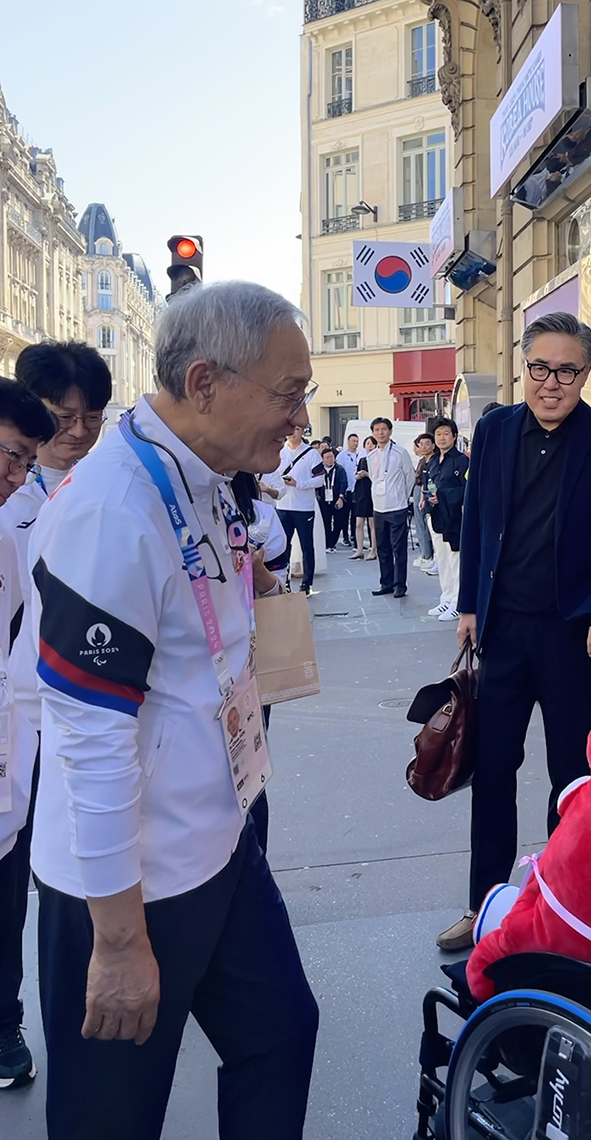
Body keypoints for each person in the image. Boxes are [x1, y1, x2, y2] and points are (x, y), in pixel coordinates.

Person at [28, 282, 319, 1140]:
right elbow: (87, 739)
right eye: (287, 393)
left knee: (280, 1037)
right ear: (204, 382)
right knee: (108, 1120)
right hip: (129, 889)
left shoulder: (208, 476)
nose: (297, 417)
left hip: (222, 844)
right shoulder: (113, 508)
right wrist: (117, 943)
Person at [437, 311, 591, 951]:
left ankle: (560, 912)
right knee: (492, 772)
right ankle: (484, 907)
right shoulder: (495, 429)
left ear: (586, 373)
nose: (551, 383)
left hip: (572, 634)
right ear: (524, 367)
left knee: (571, 780)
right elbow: (475, 518)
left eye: (567, 371)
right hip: (500, 629)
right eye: (539, 368)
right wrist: (470, 602)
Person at [0, 342, 112, 1088]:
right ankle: (6, 1022)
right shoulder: (16, 503)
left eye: (89, 418)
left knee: (61, 880)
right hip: (19, 719)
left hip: (68, 722)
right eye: (61, 419)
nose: (76, 431)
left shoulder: (111, 488)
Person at [0, 379, 58, 1090]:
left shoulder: (24, 514)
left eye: (24, 463)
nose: (16, 477)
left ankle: (3, 1020)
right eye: (11, 458)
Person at [230, 469, 290, 857]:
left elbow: (280, 591)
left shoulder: (260, 517)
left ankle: (255, 864)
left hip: (249, 662)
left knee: (249, 773)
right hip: (192, 673)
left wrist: (261, 574)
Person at [264, 425, 324, 596]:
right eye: (289, 430)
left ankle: (307, 584)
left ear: (302, 431)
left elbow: (319, 480)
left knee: (307, 546)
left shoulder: (311, 454)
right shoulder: (280, 452)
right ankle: (285, 581)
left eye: (296, 429)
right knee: (282, 546)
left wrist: (299, 483)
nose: (292, 433)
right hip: (282, 506)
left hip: (304, 507)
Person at [423, 417, 468, 622]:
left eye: (446, 434)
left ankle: (459, 601)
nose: (441, 438)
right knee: (441, 559)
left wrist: (443, 495)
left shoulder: (461, 460)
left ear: (454, 436)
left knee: (455, 559)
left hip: (455, 517)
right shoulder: (432, 461)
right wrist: (428, 499)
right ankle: (447, 597)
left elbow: (467, 489)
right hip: (436, 515)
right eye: (438, 434)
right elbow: (428, 484)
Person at [368, 417, 415, 598]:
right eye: (377, 430)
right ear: (373, 433)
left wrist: (402, 496)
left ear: (390, 431)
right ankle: (386, 582)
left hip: (397, 506)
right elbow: (373, 478)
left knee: (398, 548)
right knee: (383, 548)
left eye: (384, 429)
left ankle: (400, 584)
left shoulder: (399, 452)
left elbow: (409, 476)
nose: (381, 433)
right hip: (379, 507)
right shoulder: (371, 456)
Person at [411, 433, 436, 572]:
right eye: (421, 444)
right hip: (421, 492)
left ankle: (428, 555)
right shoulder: (423, 461)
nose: (423, 447)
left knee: (428, 526)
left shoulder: (433, 460)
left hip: (428, 494)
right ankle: (425, 554)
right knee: (420, 524)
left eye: (427, 443)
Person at [349, 436, 377, 560]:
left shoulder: (378, 459)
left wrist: (368, 474)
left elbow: (379, 477)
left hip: (372, 493)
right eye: (367, 444)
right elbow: (355, 474)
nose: (369, 446)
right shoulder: (362, 459)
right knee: (358, 523)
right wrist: (358, 476)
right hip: (361, 493)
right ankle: (359, 549)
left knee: (372, 524)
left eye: (371, 444)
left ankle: (373, 550)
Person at [314, 447, 347, 553]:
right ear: (322, 459)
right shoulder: (319, 470)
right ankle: (328, 544)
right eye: (327, 457)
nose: (329, 459)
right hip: (323, 500)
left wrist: (341, 497)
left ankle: (332, 543)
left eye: (331, 457)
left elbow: (344, 483)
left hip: (336, 498)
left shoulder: (339, 469)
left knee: (339, 522)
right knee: (325, 522)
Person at [335, 432, 362, 549]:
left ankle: (354, 536)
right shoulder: (342, 456)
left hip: (357, 489)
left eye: (357, 441)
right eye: (353, 441)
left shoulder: (359, 455)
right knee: (344, 515)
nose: (355, 444)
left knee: (355, 515)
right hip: (346, 489)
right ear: (348, 442)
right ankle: (345, 536)